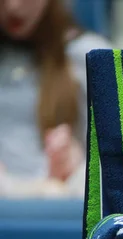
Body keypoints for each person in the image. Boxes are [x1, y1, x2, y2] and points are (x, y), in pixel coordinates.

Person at [0, 0, 110, 197]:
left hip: (60, 209)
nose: (13, 6)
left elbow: (119, 165)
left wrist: (79, 165)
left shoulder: (90, 56)